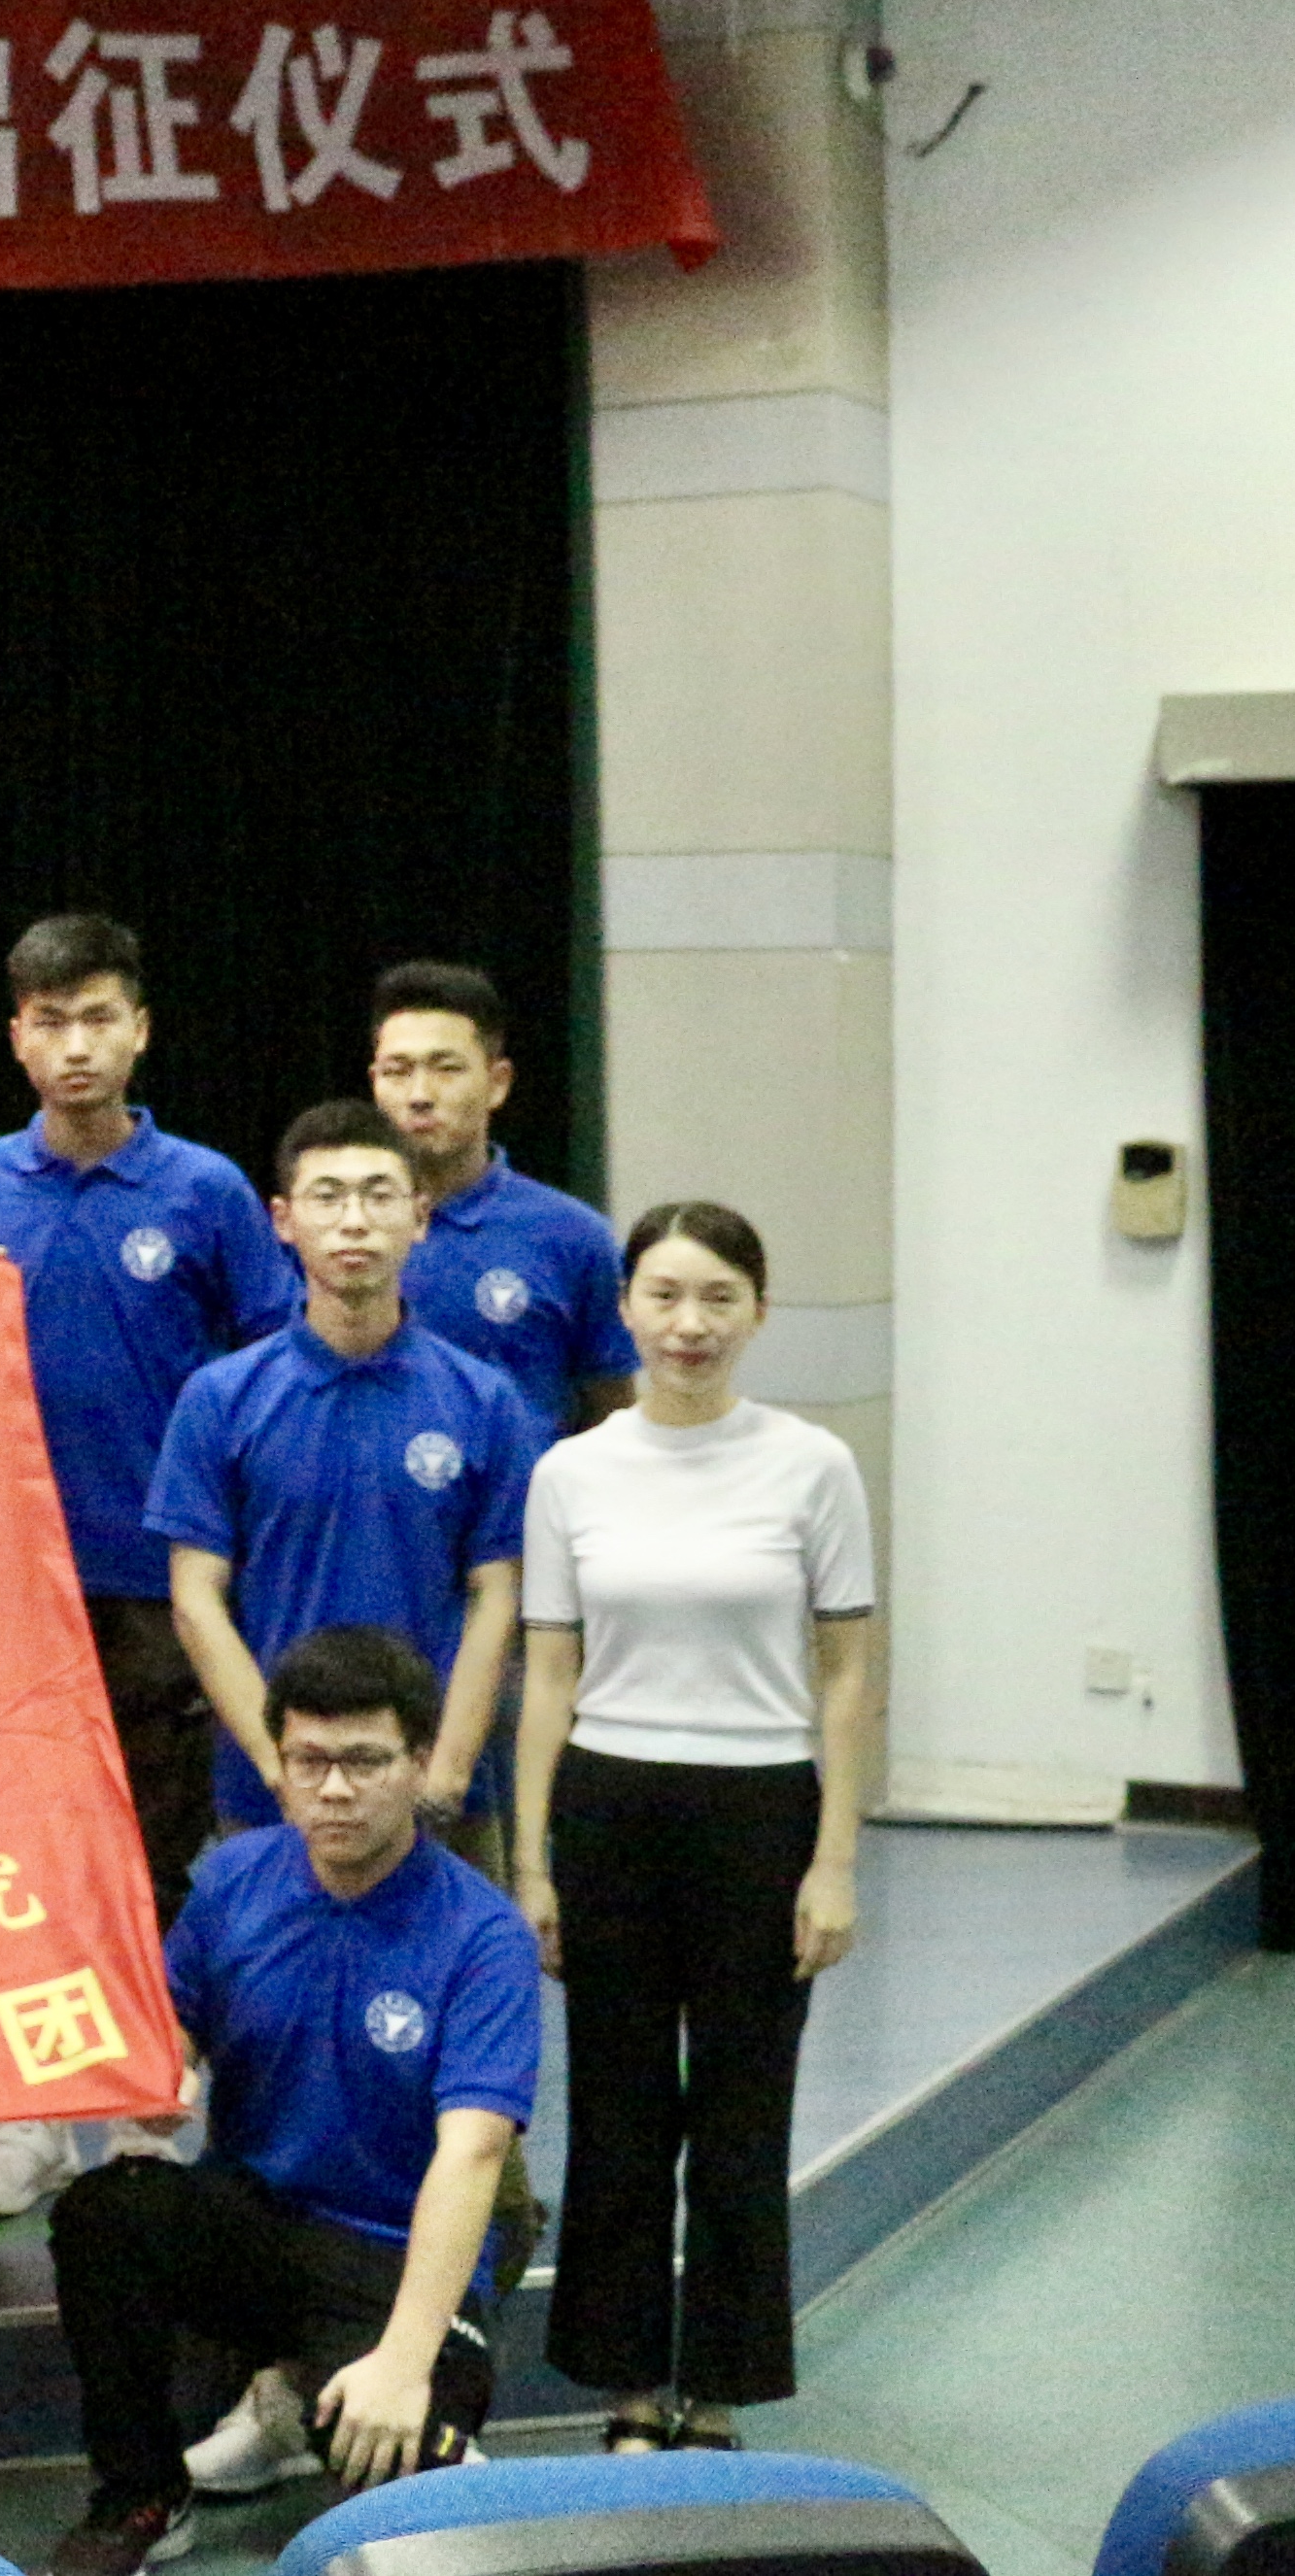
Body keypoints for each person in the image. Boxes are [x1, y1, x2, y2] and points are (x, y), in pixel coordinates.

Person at [39, 1626, 536, 2576]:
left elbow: (472, 2154)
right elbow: (171, 2026)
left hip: (393, 2256)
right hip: (257, 2225)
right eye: (310, 1760)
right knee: (109, 2208)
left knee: (412, 2521)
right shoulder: (234, 1880)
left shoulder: (483, 1936)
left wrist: (404, 2361)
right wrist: (160, 2082)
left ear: (419, 1763)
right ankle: (143, 2491)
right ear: (280, 1765)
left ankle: (312, 2397)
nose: (335, 1788)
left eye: (365, 1760)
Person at [0, 915, 292, 2221]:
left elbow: (265, 1374)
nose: (75, 1044)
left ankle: (149, 2098)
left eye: (98, 1017)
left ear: (138, 1029)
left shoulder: (205, 1191)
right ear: (15, 1037)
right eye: (49, 1020)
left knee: (156, 1855)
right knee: (22, 1855)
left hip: (166, 1585)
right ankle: (28, 2114)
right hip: (7, 1588)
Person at [514, 1201, 882, 2455]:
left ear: (757, 1312)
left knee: (739, 2117)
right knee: (618, 2111)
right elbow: (548, 1675)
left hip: (759, 1809)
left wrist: (833, 1858)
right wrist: (533, 1861)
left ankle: (716, 2385)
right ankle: (624, 2384)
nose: (689, 1322)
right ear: (624, 1306)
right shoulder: (570, 1471)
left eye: (718, 1296)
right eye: (664, 1294)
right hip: (609, 1805)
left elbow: (845, 1673)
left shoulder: (812, 1464)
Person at [144, 1101, 538, 1857]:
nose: (353, 1221)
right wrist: (284, 1768)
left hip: (442, 1798)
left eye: (378, 1194)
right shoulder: (220, 1398)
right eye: (327, 1196)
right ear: (283, 1220)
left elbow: (498, 1596)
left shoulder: (484, 1399)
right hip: (269, 1802)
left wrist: (446, 1771)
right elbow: (196, 1599)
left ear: (419, 1216)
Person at [368, 963, 636, 1442]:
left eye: (446, 1069)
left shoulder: (574, 1237)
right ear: (374, 1083)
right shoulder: (331, 1230)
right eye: (398, 1071)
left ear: (498, 1082)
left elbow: (611, 1419)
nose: (419, 1095)